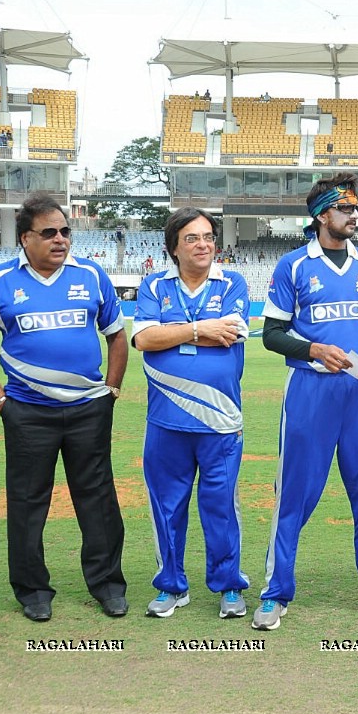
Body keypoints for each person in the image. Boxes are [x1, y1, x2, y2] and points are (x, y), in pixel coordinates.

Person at [254, 172, 358, 630]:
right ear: (322, 214)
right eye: (345, 209)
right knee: (294, 496)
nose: (355, 216)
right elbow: (272, 334)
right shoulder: (293, 266)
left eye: (357, 208)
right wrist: (314, 350)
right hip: (311, 392)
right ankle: (275, 592)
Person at [0, 192, 128, 623]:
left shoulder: (91, 275)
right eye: (49, 232)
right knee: (27, 502)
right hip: (27, 413)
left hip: (88, 411)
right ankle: (33, 590)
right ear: (25, 239)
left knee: (98, 500)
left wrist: (110, 392)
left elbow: (116, 337)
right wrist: (1, 402)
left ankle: (108, 585)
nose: (60, 240)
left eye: (65, 232)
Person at [133, 208, 252, 620]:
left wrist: (174, 333)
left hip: (219, 420)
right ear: (173, 248)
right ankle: (171, 585)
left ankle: (229, 586)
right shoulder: (153, 285)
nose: (203, 244)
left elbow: (230, 333)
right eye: (191, 238)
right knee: (167, 506)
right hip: (166, 420)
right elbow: (145, 338)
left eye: (207, 237)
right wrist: (199, 329)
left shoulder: (233, 282)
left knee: (220, 507)